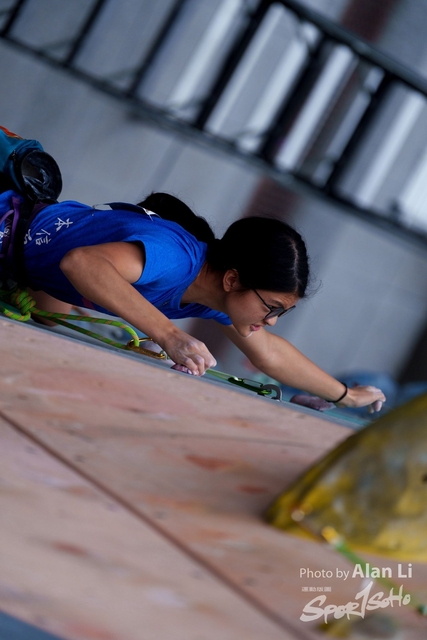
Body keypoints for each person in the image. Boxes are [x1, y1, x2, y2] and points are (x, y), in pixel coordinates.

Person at [0, 189, 385, 412]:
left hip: (18, 263)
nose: (271, 321)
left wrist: (347, 395)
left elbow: (270, 354)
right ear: (232, 279)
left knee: (48, 322)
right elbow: (81, 263)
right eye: (271, 308)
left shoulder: (212, 299)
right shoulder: (177, 258)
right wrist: (170, 336)